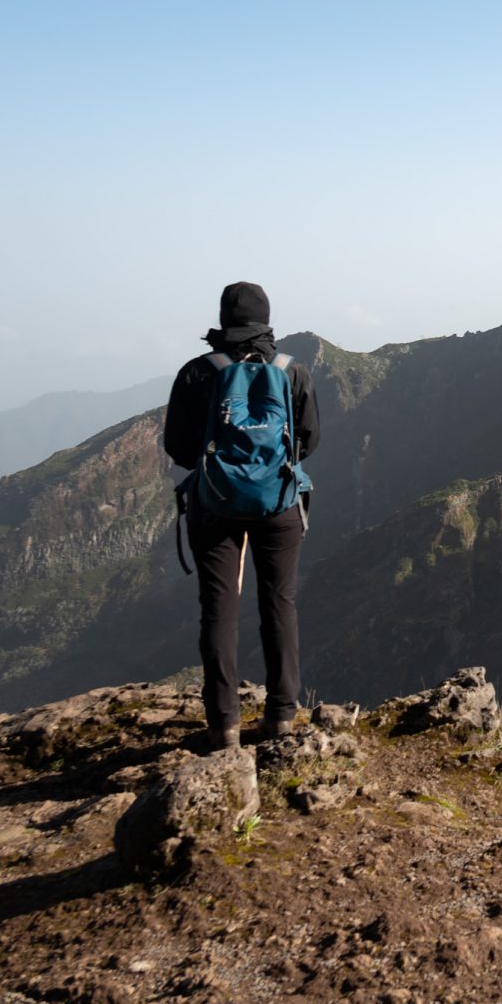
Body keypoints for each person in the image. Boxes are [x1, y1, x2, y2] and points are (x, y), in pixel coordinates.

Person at [163, 281, 320, 750]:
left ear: (224, 319)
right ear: (266, 319)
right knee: (279, 602)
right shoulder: (292, 371)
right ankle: (282, 715)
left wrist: (222, 473)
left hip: (214, 506)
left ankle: (224, 725)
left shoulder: (197, 372)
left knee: (218, 608)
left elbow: (178, 446)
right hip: (279, 504)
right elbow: (308, 440)